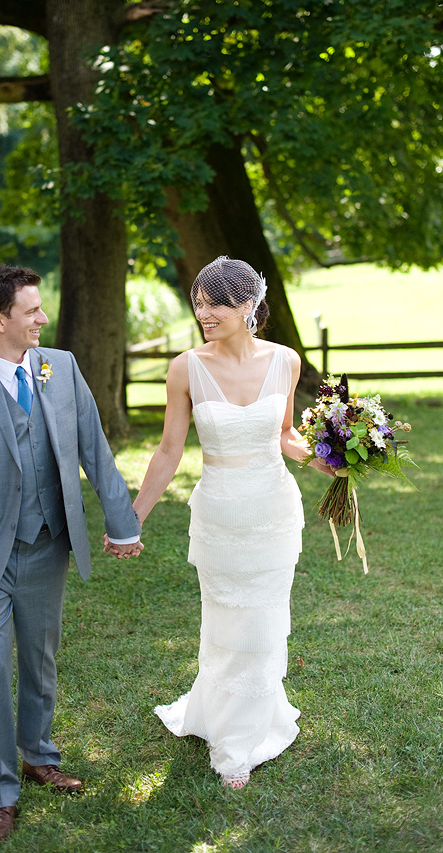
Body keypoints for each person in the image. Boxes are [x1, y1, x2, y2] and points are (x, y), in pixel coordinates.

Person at [0, 265, 142, 839]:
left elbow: (94, 449)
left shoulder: (60, 367)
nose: (43, 318)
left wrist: (122, 524)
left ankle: (39, 756)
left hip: (48, 546)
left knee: (41, 660)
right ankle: (0, 793)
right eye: (31, 311)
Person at [125, 256, 332, 789]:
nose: (204, 314)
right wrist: (133, 517)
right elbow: (169, 450)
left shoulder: (285, 361)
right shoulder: (185, 368)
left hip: (273, 513)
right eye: (199, 304)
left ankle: (245, 732)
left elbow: (284, 435)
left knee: (264, 622)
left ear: (247, 307)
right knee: (225, 623)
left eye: (215, 304)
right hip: (219, 514)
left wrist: (328, 458)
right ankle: (226, 727)